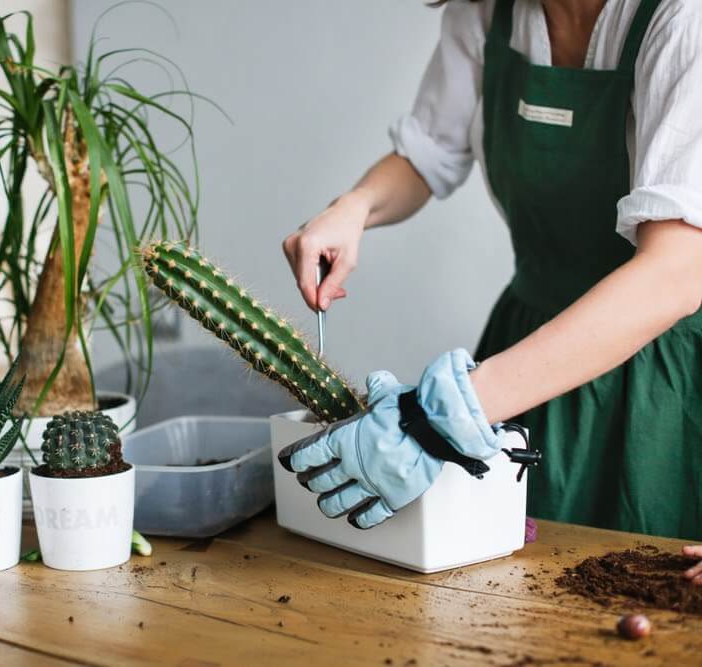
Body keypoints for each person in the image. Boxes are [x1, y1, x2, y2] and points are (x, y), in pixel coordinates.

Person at [277, 0, 701, 583]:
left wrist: (448, 413)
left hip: (671, 377)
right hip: (533, 355)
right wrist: (355, 207)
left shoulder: (683, 20)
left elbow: (676, 273)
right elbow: (429, 151)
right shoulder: (485, 14)